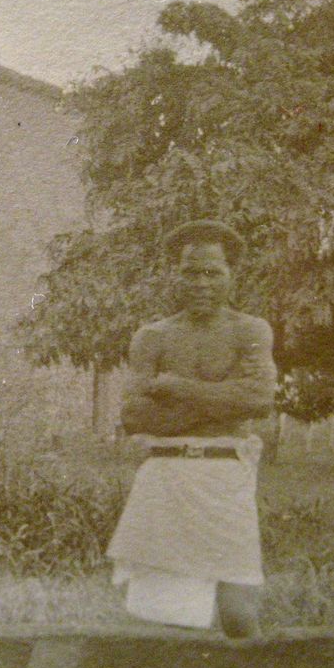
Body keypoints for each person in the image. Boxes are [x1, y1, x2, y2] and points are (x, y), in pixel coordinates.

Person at [107, 219, 276, 638]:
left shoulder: (249, 331)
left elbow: (258, 399)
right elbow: (135, 417)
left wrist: (178, 388)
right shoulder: (153, 338)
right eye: (190, 272)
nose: (201, 283)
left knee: (238, 612)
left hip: (225, 477)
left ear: (232, 275)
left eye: (213, 272)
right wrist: (222, 402)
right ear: (174, 275)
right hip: (166, 476)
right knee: (166, 618)